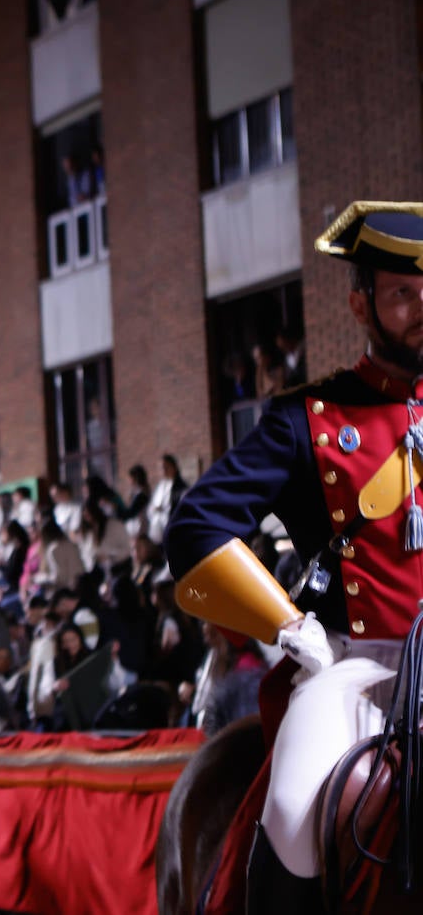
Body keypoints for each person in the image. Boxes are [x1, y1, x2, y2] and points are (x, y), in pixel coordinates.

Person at [165, 200, 423, 912]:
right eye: (402, 294)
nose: (421, 306)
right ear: (361, 306)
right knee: (293, 812)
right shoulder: (305, 418)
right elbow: (197, 527)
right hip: (356, 670)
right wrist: (286, 625)